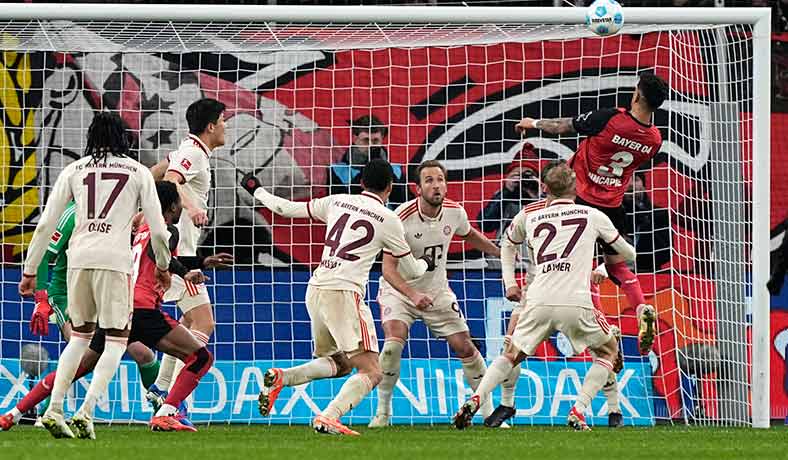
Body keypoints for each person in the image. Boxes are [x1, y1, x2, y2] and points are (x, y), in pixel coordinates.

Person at [2, 182, 231, 433]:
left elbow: (158, 255)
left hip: (121, 307)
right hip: (144, 310)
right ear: (173, 206)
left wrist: (201, 262)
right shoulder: (166, 230)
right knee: (201, 357)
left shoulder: (139, 231)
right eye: (179, 204)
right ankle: (167, 411)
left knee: (78, 366)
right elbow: (161, 256)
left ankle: (13, 413)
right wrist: (186, 272)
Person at [241, 158, 433, 436]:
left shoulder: (337, 201)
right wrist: (426, 261)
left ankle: (282, 378)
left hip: (316, 288)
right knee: (373, 371)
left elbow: (285, 208)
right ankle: (329, 417)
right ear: (390, 188)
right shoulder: (389, 219)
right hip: (344, 293)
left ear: (361, 183)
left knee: (341, 363)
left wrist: (256, 190)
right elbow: (413, 270)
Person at [18, 112, 172, 439]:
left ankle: (54, 409)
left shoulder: (75, 169)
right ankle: (85, 412)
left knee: (80, 337)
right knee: (117, 340)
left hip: (78, 260)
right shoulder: (139, 172)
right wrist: (163, 264)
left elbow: (46, 223)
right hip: (114, 261)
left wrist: (30, 270)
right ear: (123, 138)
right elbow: (158, 230)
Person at [453, 161, 635, 432]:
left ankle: (477, 397)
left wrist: (509, 283)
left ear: (544, 188)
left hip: (537, 298)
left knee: (511, 353)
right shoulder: (592, 215)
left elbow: (506, 246)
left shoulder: (530, 216)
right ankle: (579, 409)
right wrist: (602, 267)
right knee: (609, 350)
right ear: (576, 186)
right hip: (576, 299)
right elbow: (629, 255)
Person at [514, 72, 668, 354]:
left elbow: (562, 126)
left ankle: (602, 331)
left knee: (581, 269)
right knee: (617, 266)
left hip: (581, 202)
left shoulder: (610, 119)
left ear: (636, 95)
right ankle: (642, 306)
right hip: (613, 207)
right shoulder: (654, 140)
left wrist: (533, 123)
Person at [368, 160, 501, 428]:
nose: (436, 185)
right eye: (429, 180)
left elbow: (470, 235)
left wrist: (499, 252)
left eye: (440, 179)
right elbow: (388, 270)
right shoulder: (399, 219)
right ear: (418, 189)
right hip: (400, 291)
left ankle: (487, 412)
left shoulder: (455, 212)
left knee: (466, 347)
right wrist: (413, 294)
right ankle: (383, 413)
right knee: (393, 344)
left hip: (437, 291)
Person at [22, 201, 161, 426]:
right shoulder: (72, 213)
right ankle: (46, 412)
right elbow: (43, 255)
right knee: (81, 353)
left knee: (143, 354)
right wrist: (41, 299)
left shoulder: (119, 211)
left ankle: (165, 411)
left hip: (103, 289)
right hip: (67, 293)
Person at [146, 98, 226, 424]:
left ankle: (162, 387)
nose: (226, 126)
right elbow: (172, 180)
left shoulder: (189, 148)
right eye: (224, 120)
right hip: (176, 250)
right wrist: (191, 207)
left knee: (193, 325)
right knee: (203, 324)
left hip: (183, 249)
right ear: (210, 126)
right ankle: (171, 400)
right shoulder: (193, 153)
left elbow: (155, 173)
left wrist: (133, 187)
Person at [328, 115, 411, 208]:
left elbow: (404, 204)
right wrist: (369, 167)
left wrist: (384, 169)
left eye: (375, 140)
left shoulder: (396, 171)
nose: (371, 145)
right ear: (355, 139)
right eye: (366, 140)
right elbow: (339, 207)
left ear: (382, 140)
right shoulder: (337, 170)